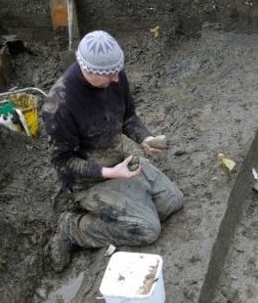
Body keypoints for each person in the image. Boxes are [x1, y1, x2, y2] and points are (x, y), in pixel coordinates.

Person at [42, 30, 183, 272]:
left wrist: (145, 138)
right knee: (148, 229)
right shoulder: (59, 106)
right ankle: (73, 228)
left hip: (118, 161)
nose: (117, 79)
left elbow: (128, 117)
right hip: (88, 181)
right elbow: (63, 162)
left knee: (173, 201)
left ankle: (126, 207)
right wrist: (109, 172)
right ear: (89, 71)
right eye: (110, 74)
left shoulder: (115, 77)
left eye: (118, 72)